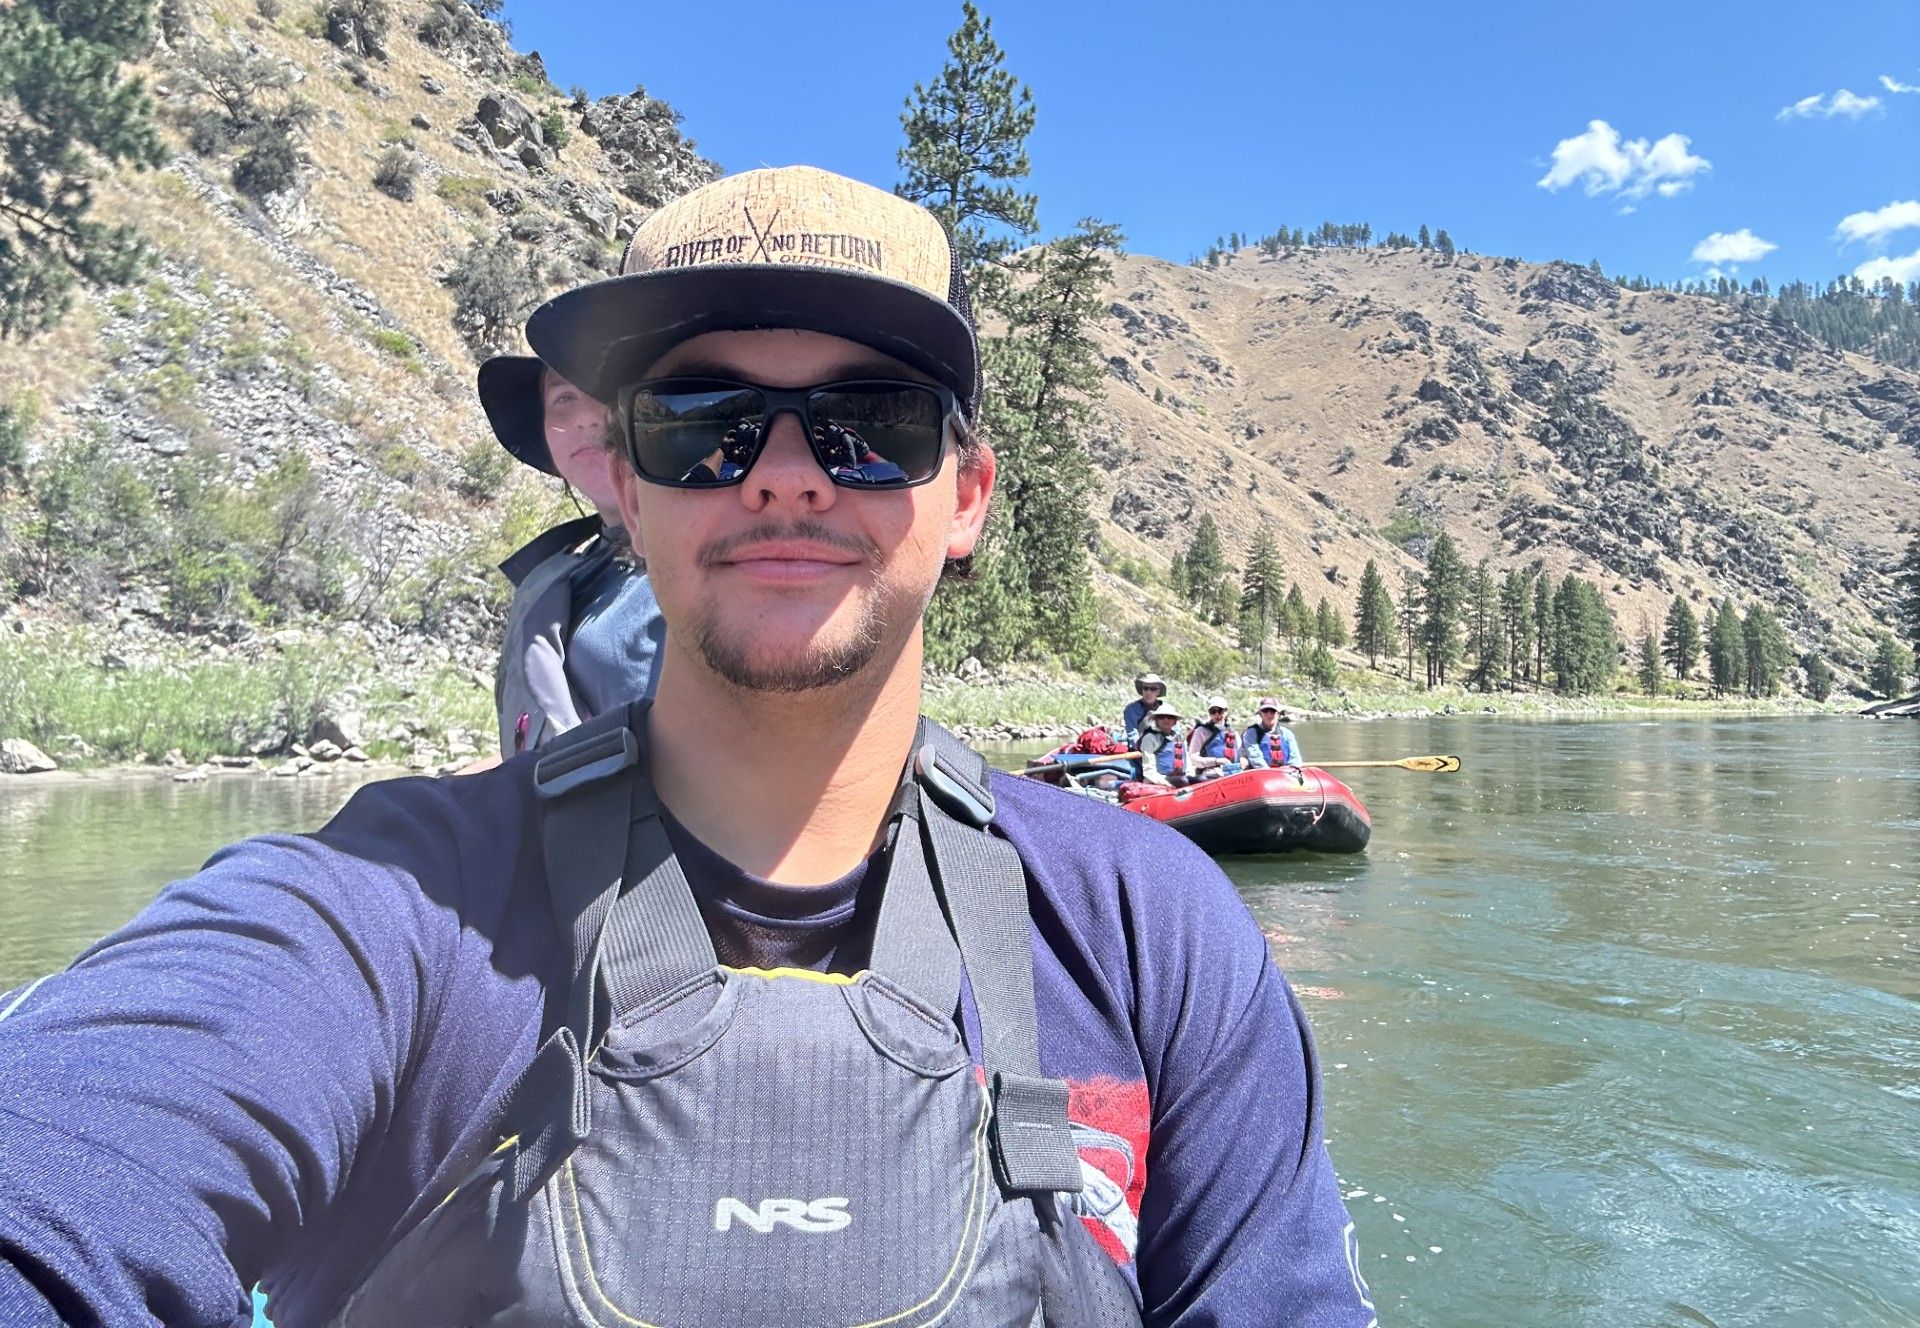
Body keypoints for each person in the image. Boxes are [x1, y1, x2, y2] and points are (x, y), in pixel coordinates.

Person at [0, 166, 1370, 1326]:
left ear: (966, 497)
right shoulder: (381, 910)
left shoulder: (1152, 931)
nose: (785, 473)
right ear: (618, 480)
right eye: (704, 425)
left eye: (872, 424)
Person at [480, 353, 666, 754]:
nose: (585, 418)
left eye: (605, 394)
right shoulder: (572, 572)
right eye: (563, 398)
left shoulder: (716, 564)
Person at [1184, 695, 1241, 780]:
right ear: (1209, 713)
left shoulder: (1233, 733)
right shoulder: (1201, 731)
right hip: (1207, 775)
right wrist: (1216, 761)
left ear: (1226, 712)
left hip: (1230, 773)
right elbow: (1193, 758)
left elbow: (1240, 756)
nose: (1217, 714)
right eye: (1213, 711)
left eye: (1220, 711)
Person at [1243, 696, 1304, 770]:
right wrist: (1270, 773)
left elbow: (1296, 758)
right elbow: (1255, 758)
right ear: (1260, 713)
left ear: (1278, 714)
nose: (1269, 714)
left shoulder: (1287, 734)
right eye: (1265, 710)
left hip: (1287, 772)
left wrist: (1290, 770)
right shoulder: (1251, 733)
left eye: (1273, 710)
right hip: (1262, 773)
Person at [1135, 704, 1187, 786]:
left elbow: (1187, 763)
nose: (1166, 720)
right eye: (1162, 717)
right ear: (1156, 720)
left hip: (1180, 777)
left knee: (1200, 779)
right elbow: (1148, 770)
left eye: (1170, 717)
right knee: (1183, 781)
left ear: (1174, 721)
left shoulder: (1179, 738)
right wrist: (1166, 783)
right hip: (1157, 780)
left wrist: (1192, 778)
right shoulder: (1149, 738)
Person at [1120, 671, 1166, 744]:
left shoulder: (1166, 709)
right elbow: (1132, 735)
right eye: (1145, 688)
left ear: (1158, 691)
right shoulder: (1132, 709)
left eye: (1153, 689)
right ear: (1142, 690)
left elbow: (1175, 732)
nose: (1148, 692)